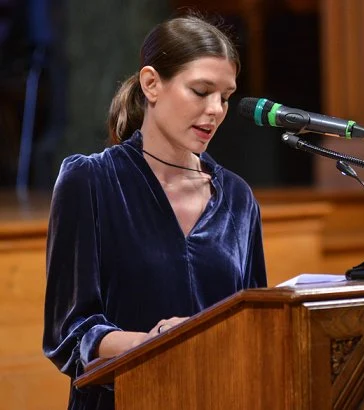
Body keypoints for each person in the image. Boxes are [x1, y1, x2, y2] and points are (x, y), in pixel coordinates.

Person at [43, 13, 267, 410]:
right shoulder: (90, 181)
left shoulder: (237, 197)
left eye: (226, 97)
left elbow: (254, 326)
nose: (215, 109)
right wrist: (154, 342)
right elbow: (70, 333)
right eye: (201, 91)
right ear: (151, 84)